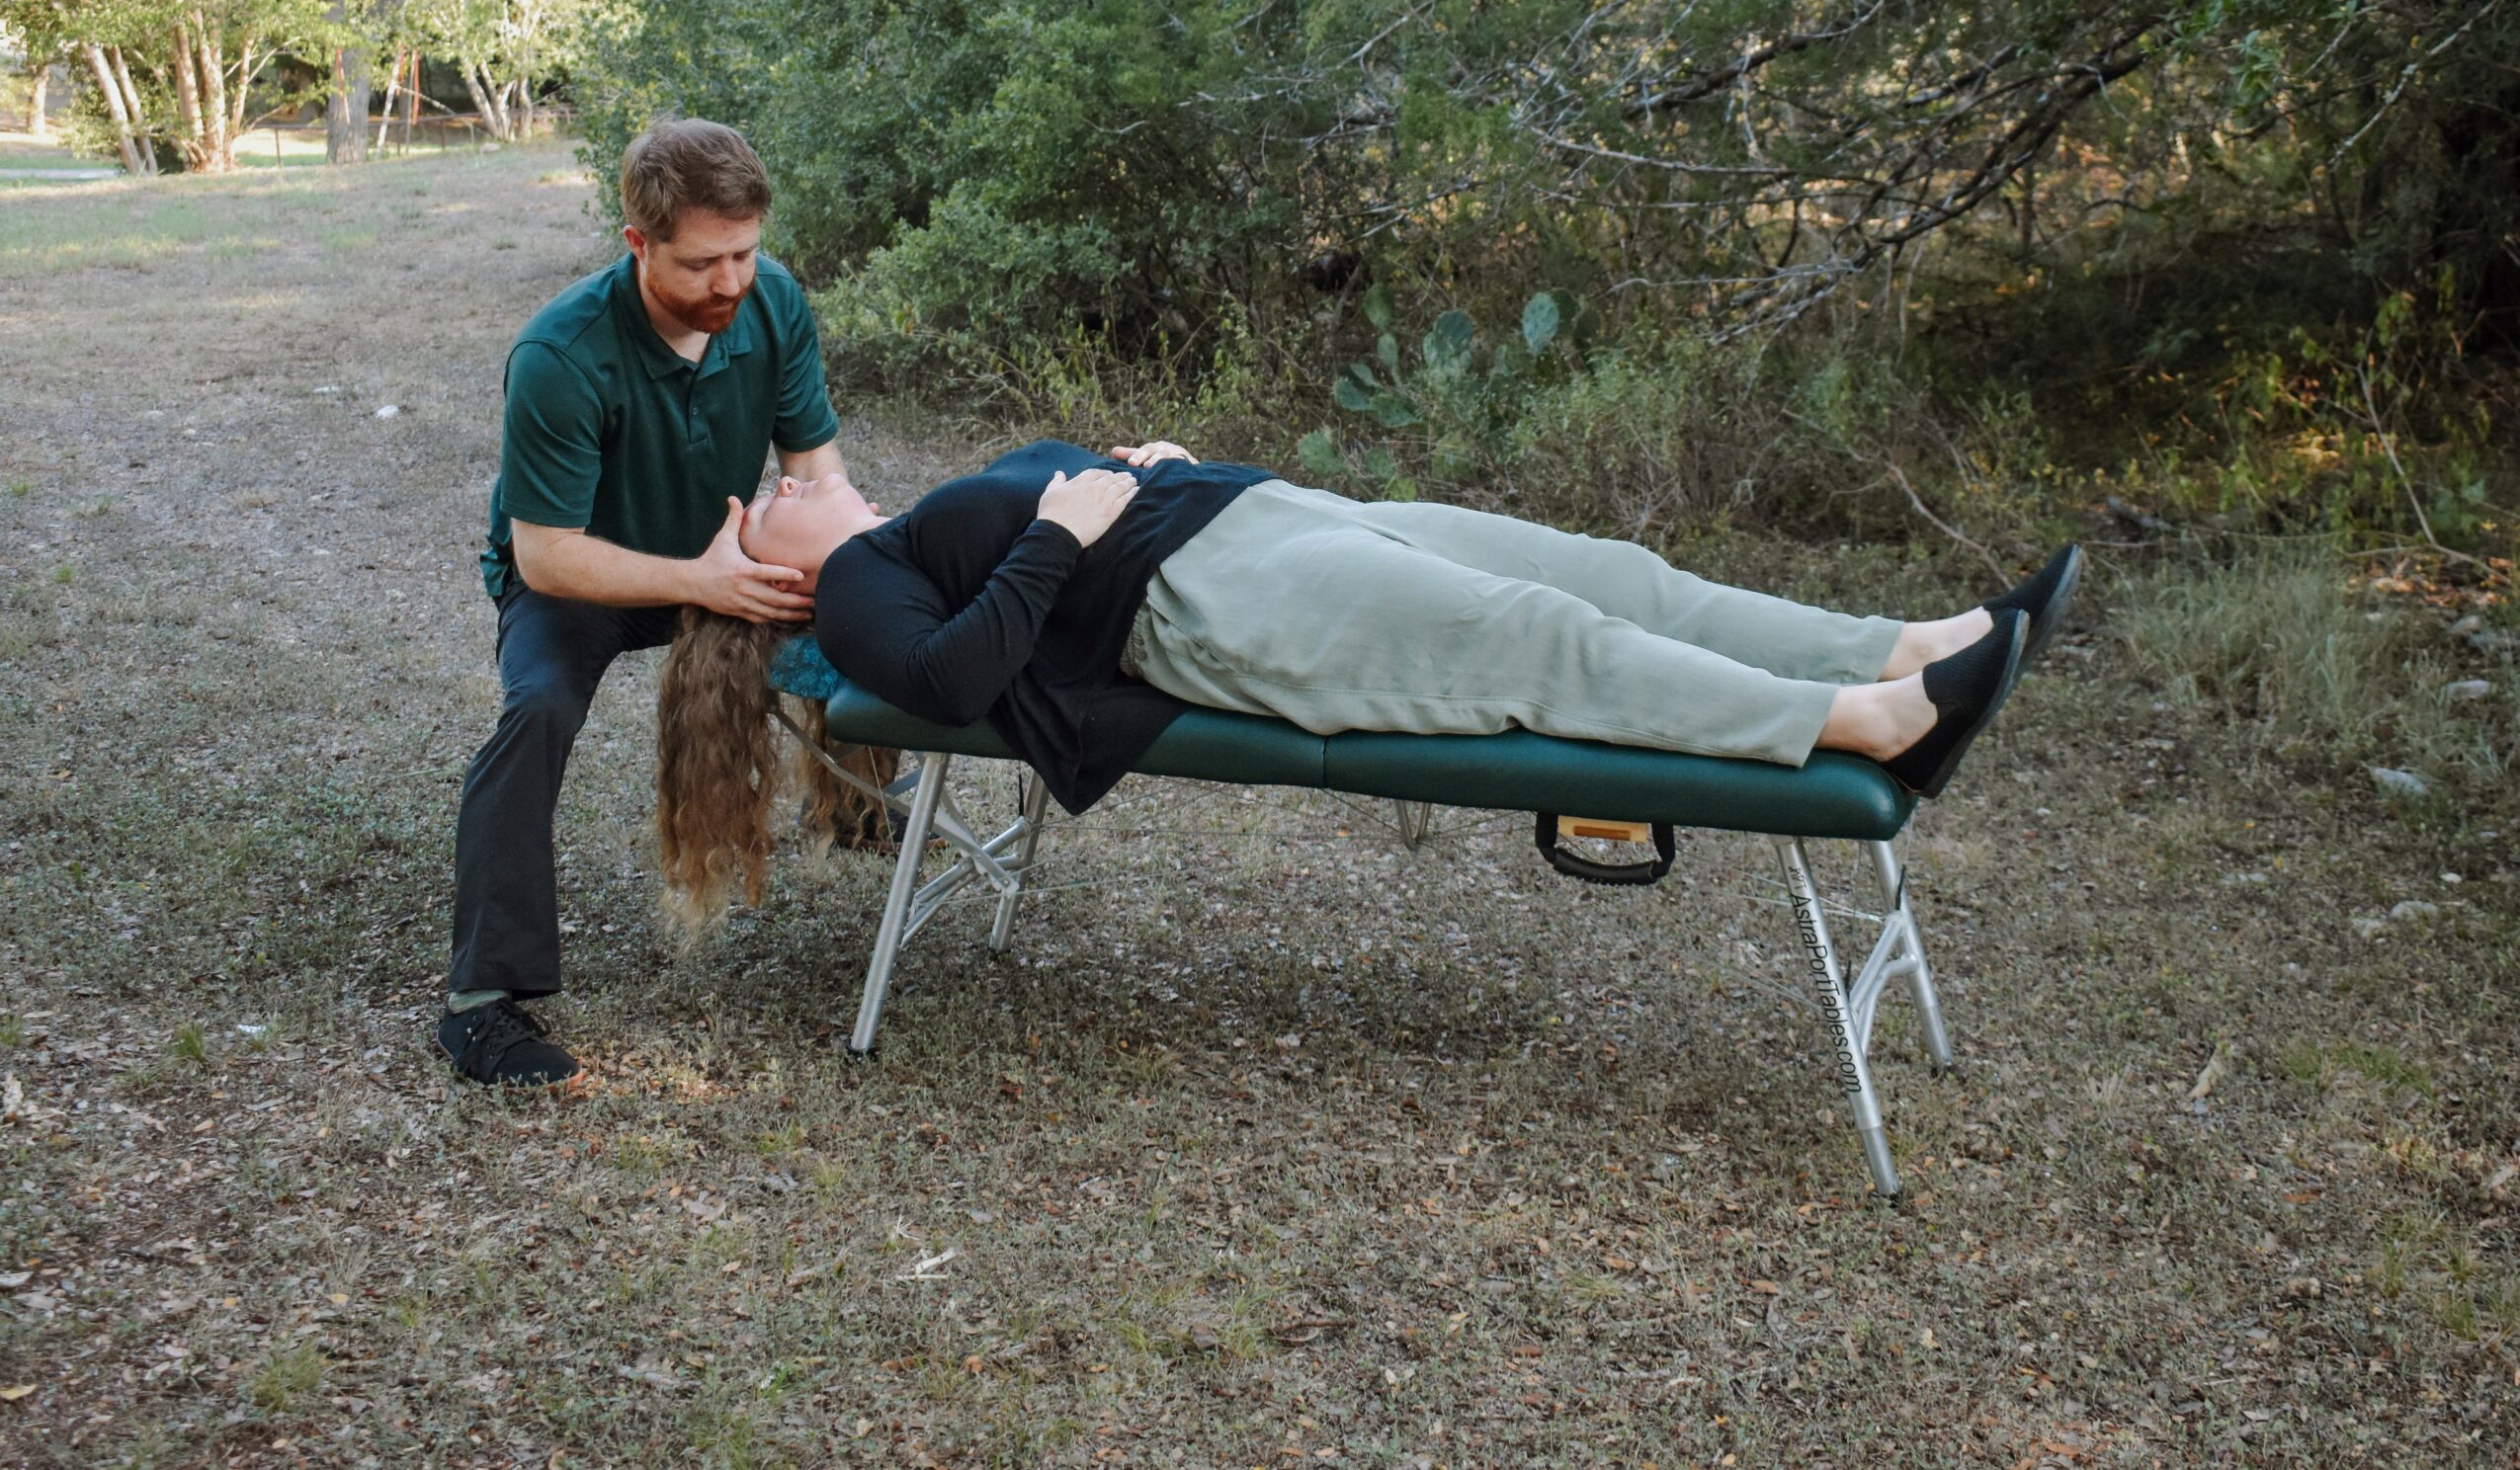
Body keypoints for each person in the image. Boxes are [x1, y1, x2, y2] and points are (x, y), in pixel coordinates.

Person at [652, 441, 2082, 922]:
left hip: (1253, 517)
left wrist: (1134, 466)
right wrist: (1058, 531)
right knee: (1538, 637)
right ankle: (1867, 723)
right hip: (1214, 603)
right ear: (774, 581)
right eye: (761, 509)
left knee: (1605, 570)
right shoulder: (858, 583)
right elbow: (952, 677)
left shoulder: (899, 528)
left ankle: (1896, 643)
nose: (780, 484)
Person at [440, 119, 849, 1089]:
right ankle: (480, 1006)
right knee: (535, 708)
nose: (732, 282)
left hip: (725, 559)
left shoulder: (773, 299)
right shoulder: (560, 353)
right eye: (703, 263)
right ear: (638, 243)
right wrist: (698, 582)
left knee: (877, 603)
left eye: (745, 252)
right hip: (586, 576)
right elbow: (545, 554)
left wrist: (835, 564)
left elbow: (815, 473)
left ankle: (864, 807)